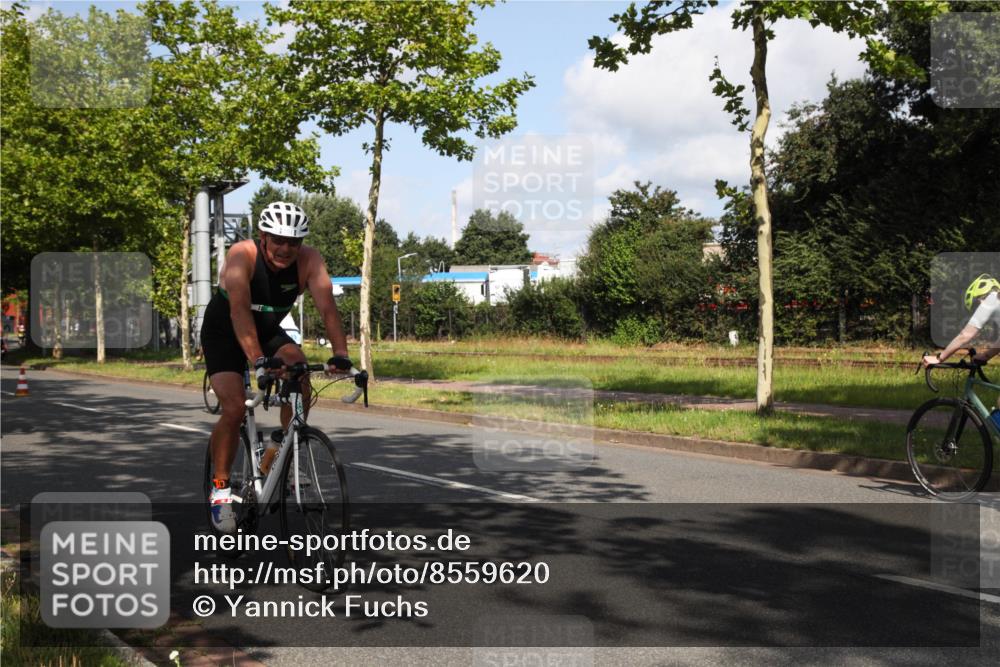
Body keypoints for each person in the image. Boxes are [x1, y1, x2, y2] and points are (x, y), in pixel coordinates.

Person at [201, 201, 350, 534]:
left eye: (294, 242)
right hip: (225, 328)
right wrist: (258, 361)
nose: (286, 248)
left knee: (299, 368)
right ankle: (221, 490)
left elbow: (328, 309)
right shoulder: (243, 255)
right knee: (236, 407)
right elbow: (239, 312)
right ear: (263, 236)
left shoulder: (310, 260)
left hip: (267, 328)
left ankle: (285, 448)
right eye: (278, 240)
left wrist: (341, 354)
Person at [923, 273, 1000, 375]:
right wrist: (986, 356)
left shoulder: (990, 300)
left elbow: (965, 336)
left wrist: (939, 358)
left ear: (980, 296)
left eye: (976, 305)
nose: (977, 309)